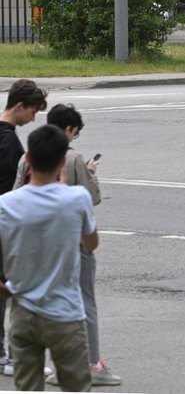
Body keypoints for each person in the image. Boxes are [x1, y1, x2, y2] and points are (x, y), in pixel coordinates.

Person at [14, 104, 121, 388]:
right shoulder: (72, 158)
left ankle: (49, 364)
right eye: (74, 133)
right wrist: (91, 173)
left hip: (34, 244)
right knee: (85, 300)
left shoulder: (27, 157)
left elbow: (15, 192)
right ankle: (93, 362)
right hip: (73, 244)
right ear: (70, 130)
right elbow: (91, 197)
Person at [0, 125, 98, 392]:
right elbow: (91, 243)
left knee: (28, 386)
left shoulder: (5, 204)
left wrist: (7, 291)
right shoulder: (77, 198)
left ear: (28, 159)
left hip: (24, 312)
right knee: (76, 386)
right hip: (65, 312)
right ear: (63, 161)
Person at [0, 79, 47, 373]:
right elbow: (11, 189)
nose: (32, 119)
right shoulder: (8, 143)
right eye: (31, 112)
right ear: (19, 106)